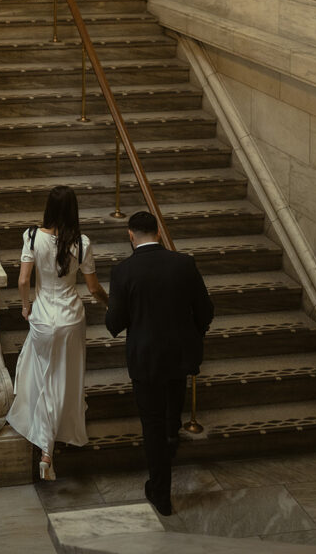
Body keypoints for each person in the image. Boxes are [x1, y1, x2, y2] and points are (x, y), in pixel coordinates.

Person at [105, 209, 214, 516]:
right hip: (180, 356)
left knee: (151, 424)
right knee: (170, 415)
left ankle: (161, 493)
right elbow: (205, 311)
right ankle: (172, 437)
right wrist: (194, 336)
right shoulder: (184, 264)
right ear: (159, 233)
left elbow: (115, 323)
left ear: (130, 235)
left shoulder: (123, 271)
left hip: (146, 358)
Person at [6, 184, 108, 480]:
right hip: (71, 317)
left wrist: (26, 307)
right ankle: (49, 446)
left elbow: (24, 280)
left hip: (43, 315)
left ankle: (45, 448)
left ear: (48, 208)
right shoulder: (82, 242)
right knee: (64, 376)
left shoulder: (31, 236)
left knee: (43, 374)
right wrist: (109, 303)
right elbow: (92, 288)